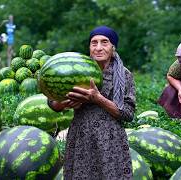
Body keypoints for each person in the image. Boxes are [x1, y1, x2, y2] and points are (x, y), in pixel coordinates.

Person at [48, 26, 136, 179]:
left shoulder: (124, 75)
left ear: (113, 47)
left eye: (105, 42)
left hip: (110, 140)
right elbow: (53, 104)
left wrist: (98, 99)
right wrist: (67, 102)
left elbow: (128, 114)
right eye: (94, 43)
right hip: (81, 137)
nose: (99, 48)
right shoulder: (78, 70)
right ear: (89, 47)